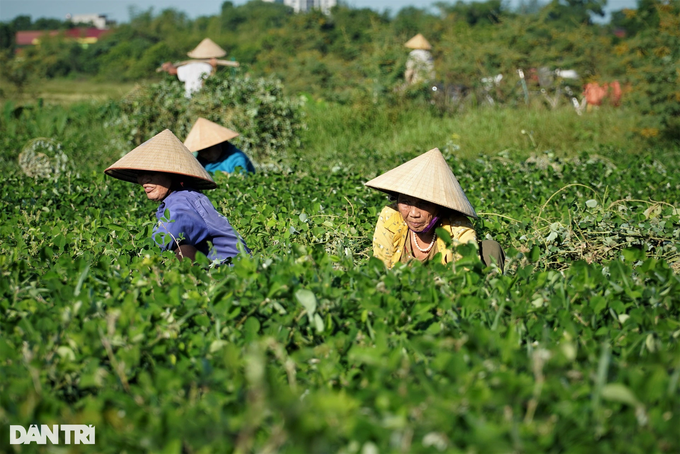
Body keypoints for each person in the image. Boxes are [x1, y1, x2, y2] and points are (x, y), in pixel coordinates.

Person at [104, 129, 250, 263]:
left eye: (152, 174)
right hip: (227, 267)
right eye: (140, 175)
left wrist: (130, 259)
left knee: (181, 252)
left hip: (233, 268)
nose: (144, 181)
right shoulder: (181, 196)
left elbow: (163, 239)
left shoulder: (182, 201)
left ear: (172, 175)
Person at [365, 148, 505, 270]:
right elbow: (381, 269)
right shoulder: (391, 217)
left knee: (490, 248)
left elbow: (463, 278)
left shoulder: (458, 228)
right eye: (406, 202)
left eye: (423, 204)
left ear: (439, 206)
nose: (413, 214)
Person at [159, 38, 229, 98]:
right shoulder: (207, 67)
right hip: (201, 98)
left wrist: (169, 66)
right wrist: (214, 67)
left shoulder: (191, 66)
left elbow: (172, 71)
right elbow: (212, 80)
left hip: (189, 97)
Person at [184, 118, 255, 175]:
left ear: (218, 144)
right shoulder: (200, 162)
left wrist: (229, 177)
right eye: (200, 151)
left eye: (206, 150)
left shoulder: (236, 159)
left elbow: (242, 180)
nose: (203, 154)